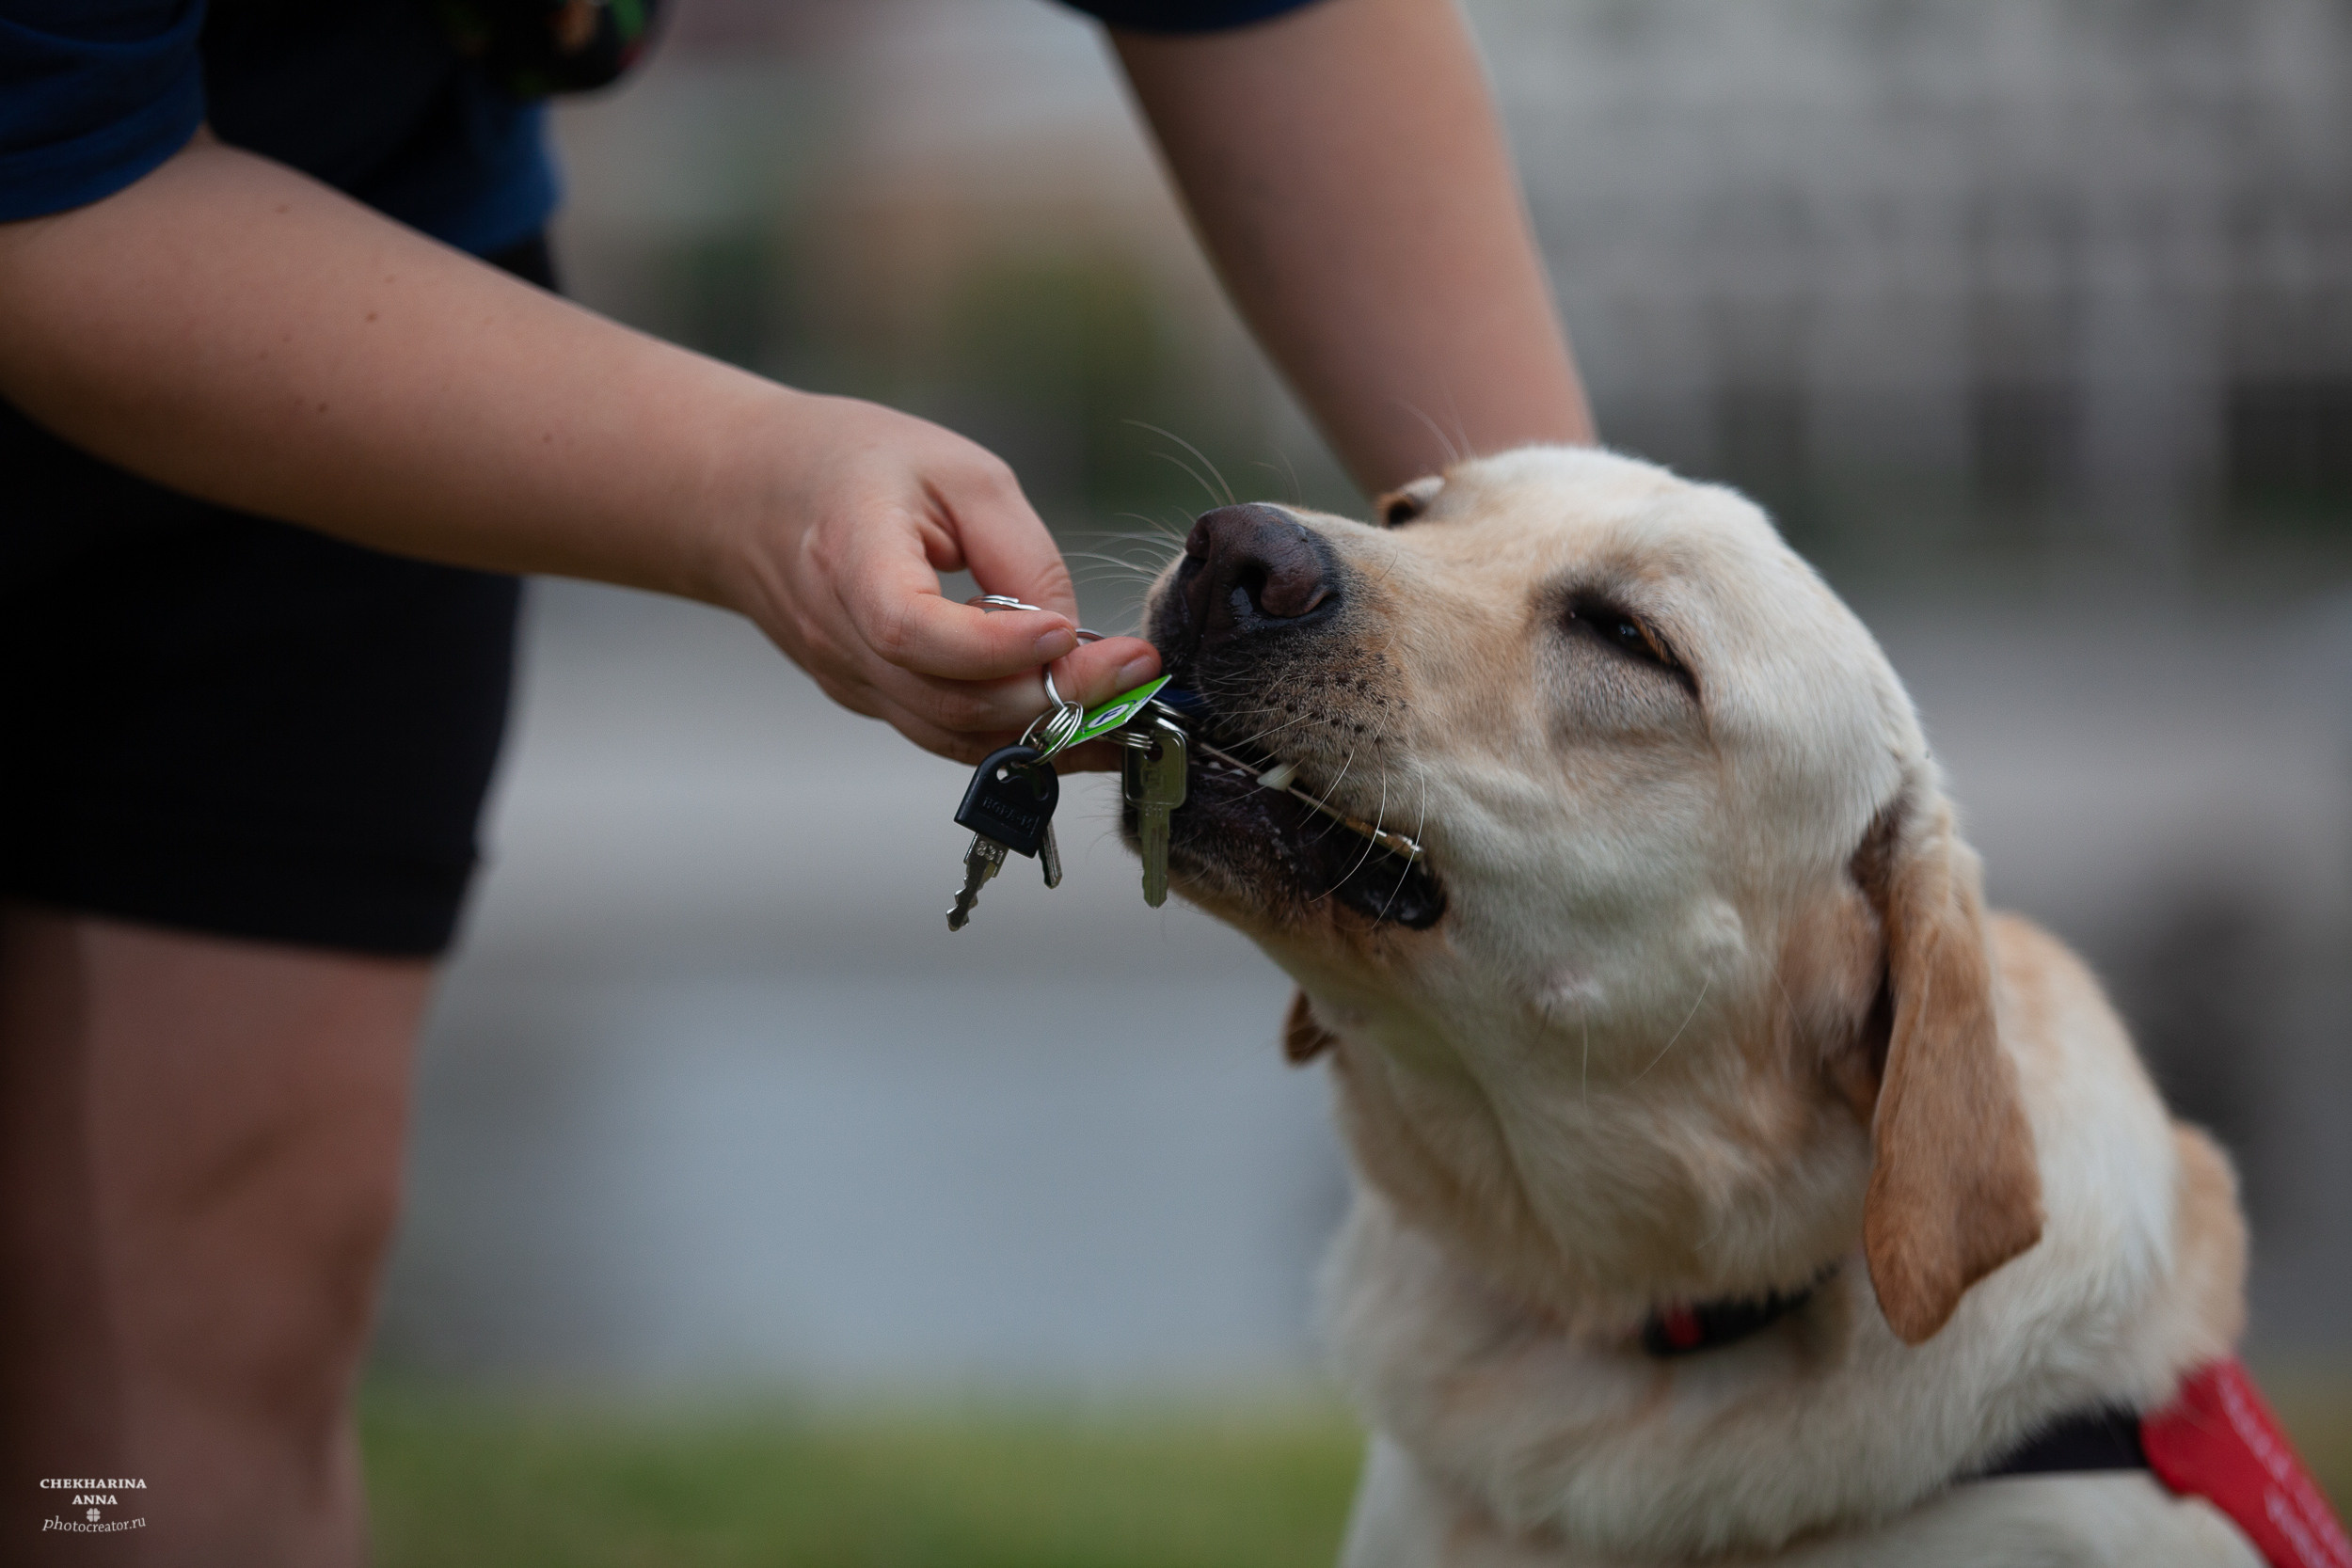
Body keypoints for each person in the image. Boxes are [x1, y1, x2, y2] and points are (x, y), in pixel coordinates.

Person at [0, 0, 1591, 1559]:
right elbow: (48, 175)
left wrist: (1628, 608)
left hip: (364, 261)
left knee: (185, 1388)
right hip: (84, 203)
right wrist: (745, 485)